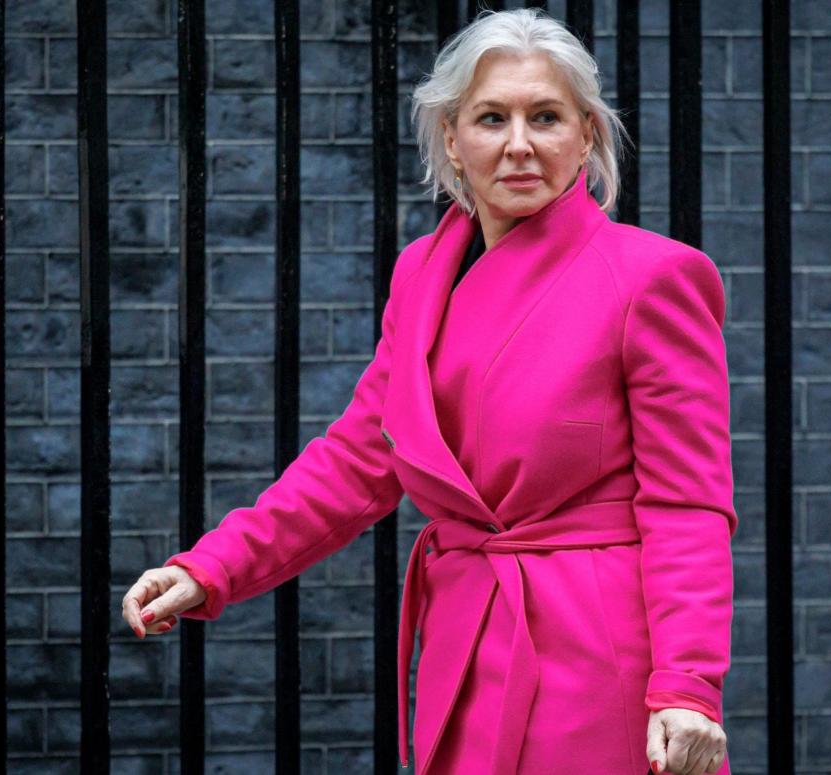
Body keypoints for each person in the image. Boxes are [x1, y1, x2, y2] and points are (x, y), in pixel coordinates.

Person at [122, 8, 735, 775]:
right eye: (491, 118)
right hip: (466, 638)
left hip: (596, 653)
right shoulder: (423, 272)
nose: (519, 144)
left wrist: (687, 683)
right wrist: (213, 566)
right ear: (452, 138)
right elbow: (360, 458)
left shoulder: (651, 277)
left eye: (545, 117)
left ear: (585, 135)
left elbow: (688, 505)